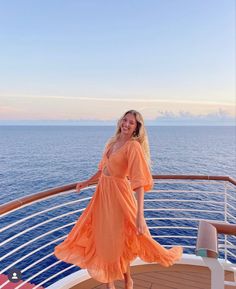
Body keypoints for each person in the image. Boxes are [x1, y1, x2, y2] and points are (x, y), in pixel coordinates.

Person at [54, 110, 183, 289]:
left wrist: (140, 215)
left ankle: (128, 280)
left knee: (119, 241)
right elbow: (103, 169)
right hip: (102, 195)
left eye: (132, 123)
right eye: (125, 120)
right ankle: (110, 284)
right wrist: (86, 182)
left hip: (119, 197)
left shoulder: (133, 147)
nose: (127, 124)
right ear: (120, 121)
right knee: (102, 239)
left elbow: (138, 182)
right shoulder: (112, 142)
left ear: (136, 128)